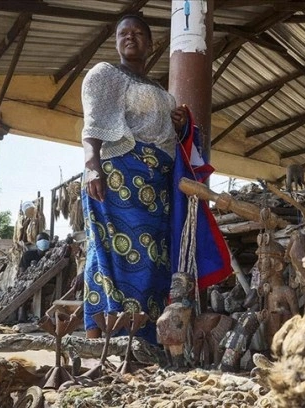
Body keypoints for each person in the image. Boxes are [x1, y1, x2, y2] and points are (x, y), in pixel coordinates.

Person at [80, 14, 187, 344]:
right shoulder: (106, 74)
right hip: (117, 177)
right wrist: (91, 166)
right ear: (115, 41)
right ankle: (98, 339)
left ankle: (143, 341)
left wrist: (180, 124)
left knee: (152, 258)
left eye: (139, 33)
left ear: (150, 43)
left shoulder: (159, 89)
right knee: (109, 252)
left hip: (156, 185)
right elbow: (93, 125)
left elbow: (168, 137)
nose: (130, 38)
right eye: (123, 33)